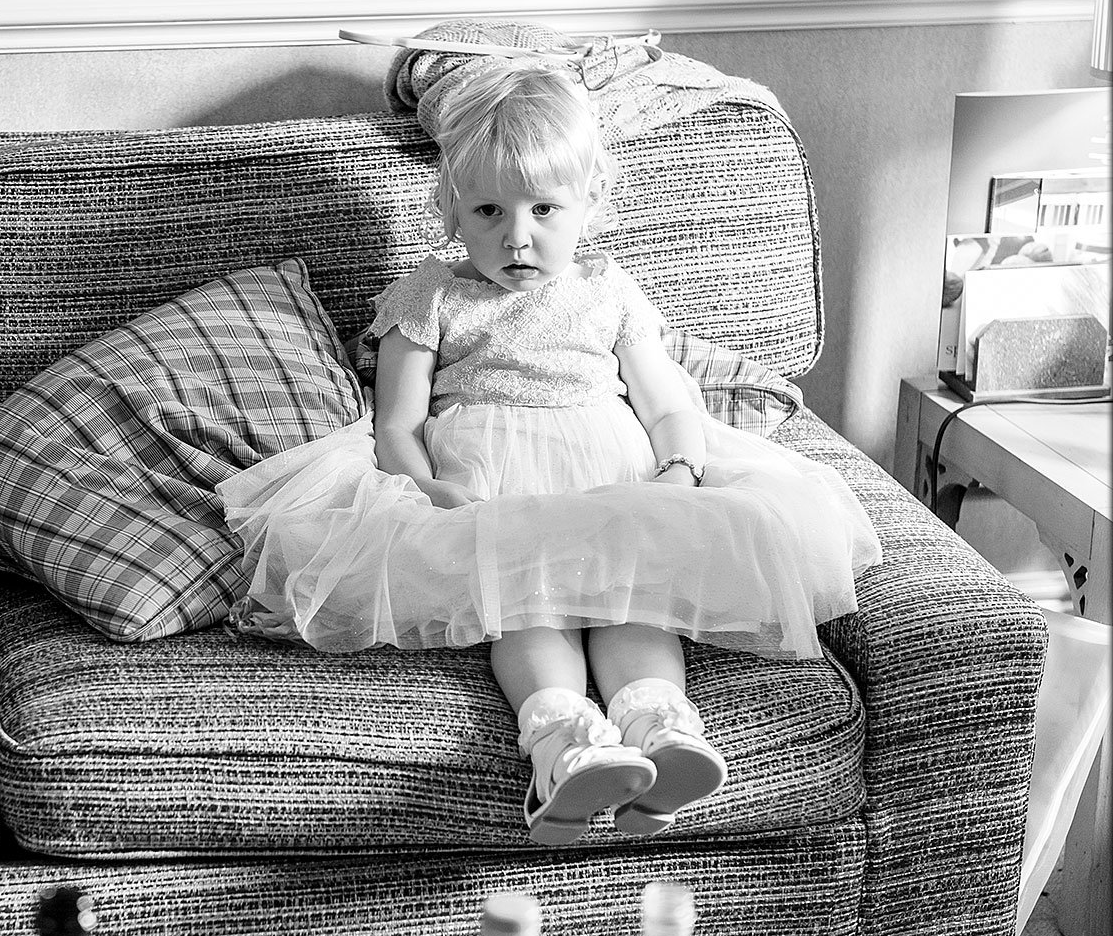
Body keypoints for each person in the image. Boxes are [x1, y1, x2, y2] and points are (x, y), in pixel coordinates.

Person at [220, 53, 881, 847]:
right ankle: (563, 746)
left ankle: (660, 730)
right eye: (490, 212)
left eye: (544, 210)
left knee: (634, 600)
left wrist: (680, 465)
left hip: (616, 476)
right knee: (526, 609)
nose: (518, 236)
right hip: (491, 485)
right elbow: (394, 423)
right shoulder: (429, 294)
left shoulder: (609, 289)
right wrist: (427, 491)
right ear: (452, 209)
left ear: (590, 202)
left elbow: (667, 397)